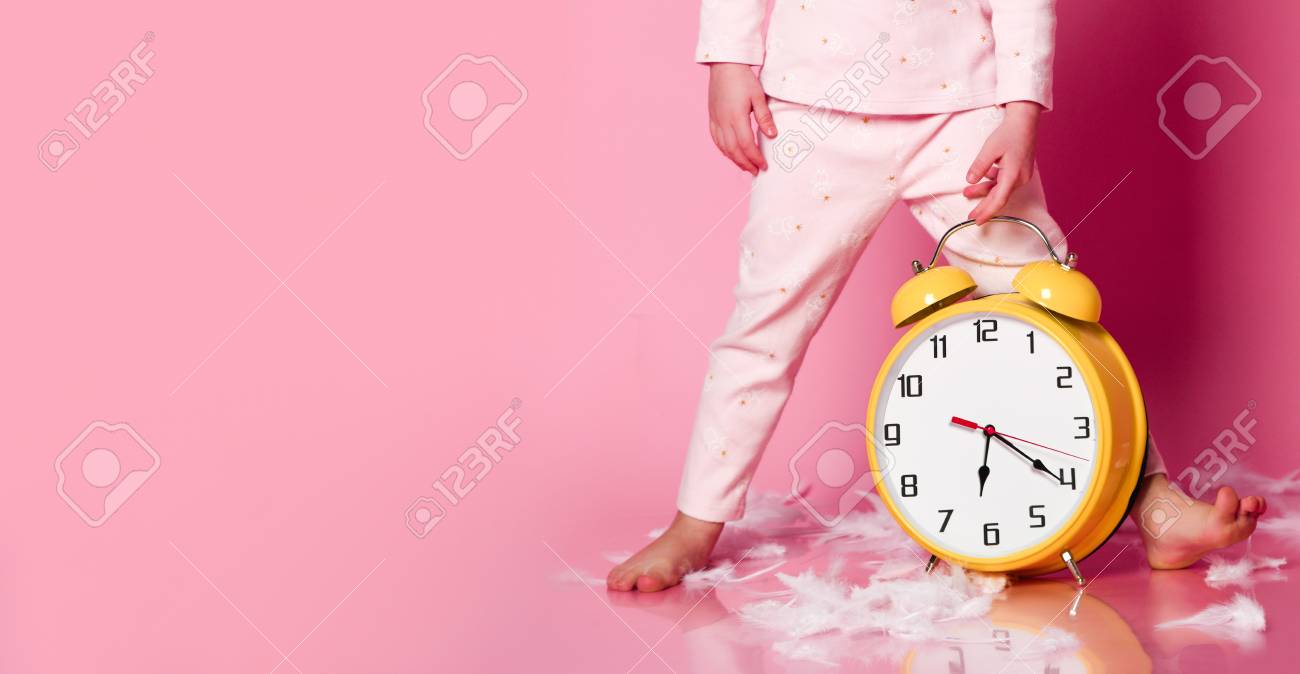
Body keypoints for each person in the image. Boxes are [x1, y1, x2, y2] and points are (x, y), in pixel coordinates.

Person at [608, 0, 1267, 592]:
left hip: (964, 114)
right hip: (813, 112)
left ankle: (1155, 505)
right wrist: (729, 61)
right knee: (764, 327)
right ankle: (696, 521)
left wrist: (1020, 113)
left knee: (1057, 314)